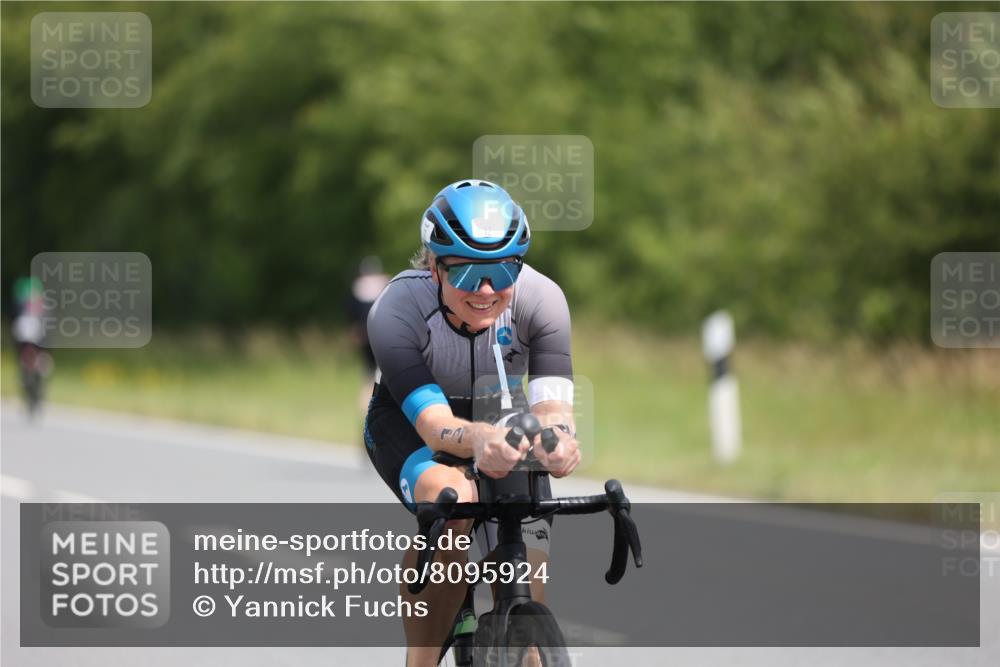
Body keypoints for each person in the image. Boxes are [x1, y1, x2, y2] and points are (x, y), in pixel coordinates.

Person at [363, 180, 581, 666]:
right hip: (411, 419)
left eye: (503, 270)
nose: (485, 291)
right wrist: (480, 439)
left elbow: (552, 409)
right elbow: (437, 426)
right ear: (435, 266)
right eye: (466, 275)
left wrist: (559, 441)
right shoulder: (396, 309)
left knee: (527, 571)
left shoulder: (542, 300)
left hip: (498, 411)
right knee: (456, 504)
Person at [347, 255, 390, 412]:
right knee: (382, 373)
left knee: (367, 373)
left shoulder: (357, 286)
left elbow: (351, 312)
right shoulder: (386, 283)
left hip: (363, 336)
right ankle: (377, 407)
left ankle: (366, 409)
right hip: (381, 335)